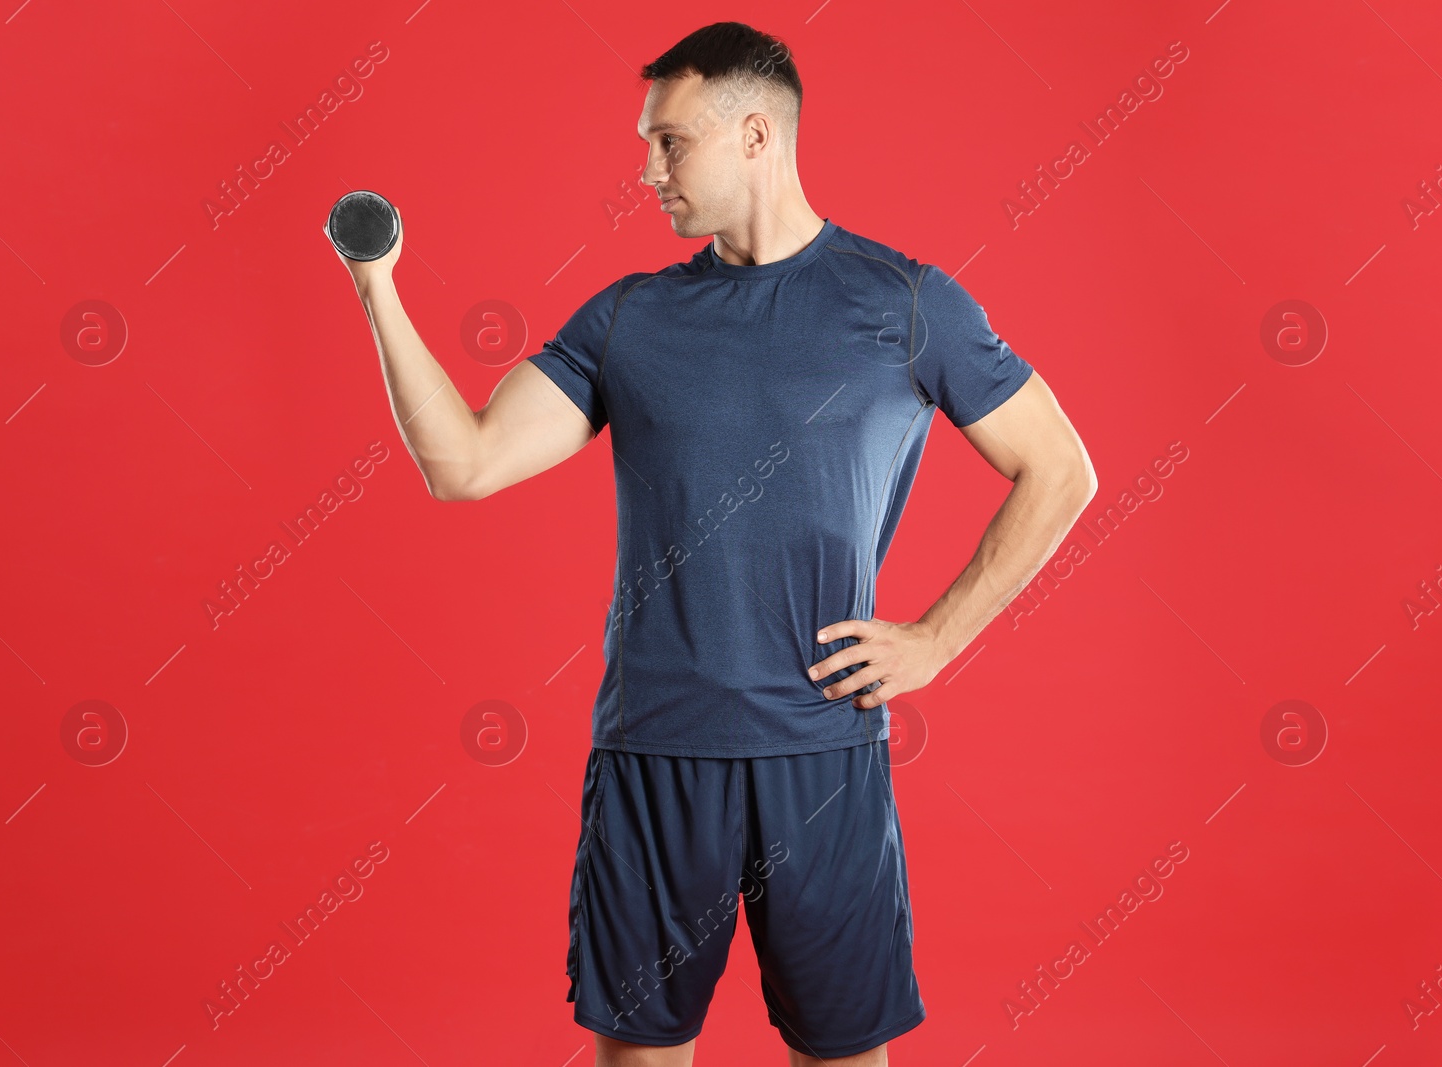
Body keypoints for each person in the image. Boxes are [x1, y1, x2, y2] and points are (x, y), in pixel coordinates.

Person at [335, 21, 1097, 1066]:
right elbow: (461, 464)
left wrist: (936, 637)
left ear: (753, 134)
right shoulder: (628, 319)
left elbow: (1060, 469)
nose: (645, 169)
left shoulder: (906, 301)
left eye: (668, 143)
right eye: (646, 144)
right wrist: (377, 283)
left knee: (842, 1055)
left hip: (821, 756)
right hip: (653, 749)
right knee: (641, 1056)